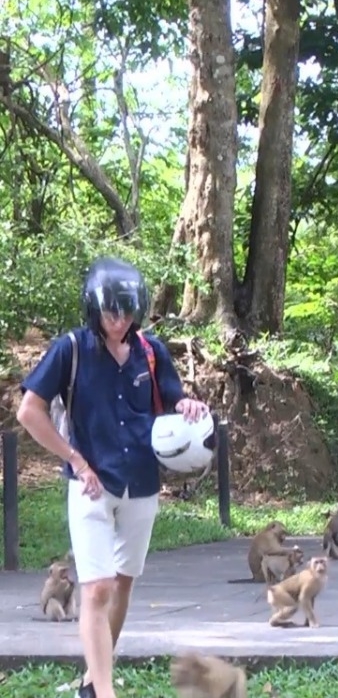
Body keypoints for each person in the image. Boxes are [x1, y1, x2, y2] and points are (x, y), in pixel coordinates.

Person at [16, 257, 210, 698]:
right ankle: (106, 692)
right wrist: (75, 459)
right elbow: (29, 411)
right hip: (91, 484)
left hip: (141, 482)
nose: (119, 321)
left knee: (122, 582)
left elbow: (172, 400)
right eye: (110, 312)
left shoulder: (150, 351)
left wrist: (187, 406)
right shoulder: (71, 349)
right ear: (94, 308)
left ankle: (92, 682)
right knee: (98, 587)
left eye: (127, 312)